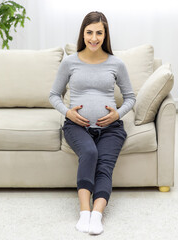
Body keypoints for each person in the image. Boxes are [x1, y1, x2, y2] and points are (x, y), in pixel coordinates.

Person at [49, 11, 136, 235]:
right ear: (83, 33)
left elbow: (130, 98)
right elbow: (53, 95)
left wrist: (118, 114)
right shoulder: (70, 62)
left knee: (105, 165)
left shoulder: (116, 64)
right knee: (89, 153)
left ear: (105, 35)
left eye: (99, 33)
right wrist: (68, 113)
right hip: (77, 126)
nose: (94, 38)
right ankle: (84, 212)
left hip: (111, 129)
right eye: (89, 32)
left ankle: (97, 216)